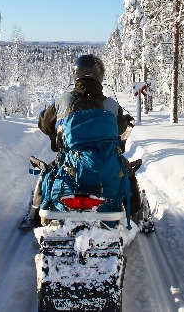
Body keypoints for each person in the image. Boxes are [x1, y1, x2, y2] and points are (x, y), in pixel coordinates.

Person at [25, 54, 144, 228]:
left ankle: (36, 213)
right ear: (100, 75)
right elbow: (121, 129)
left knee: (47, 173)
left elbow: (44, 124)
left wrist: (57, 131)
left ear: (76, 74)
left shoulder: (63, 100)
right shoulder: (111, 105)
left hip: (70, 162)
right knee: (128, 174)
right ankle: (134, 214)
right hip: (106, 163)